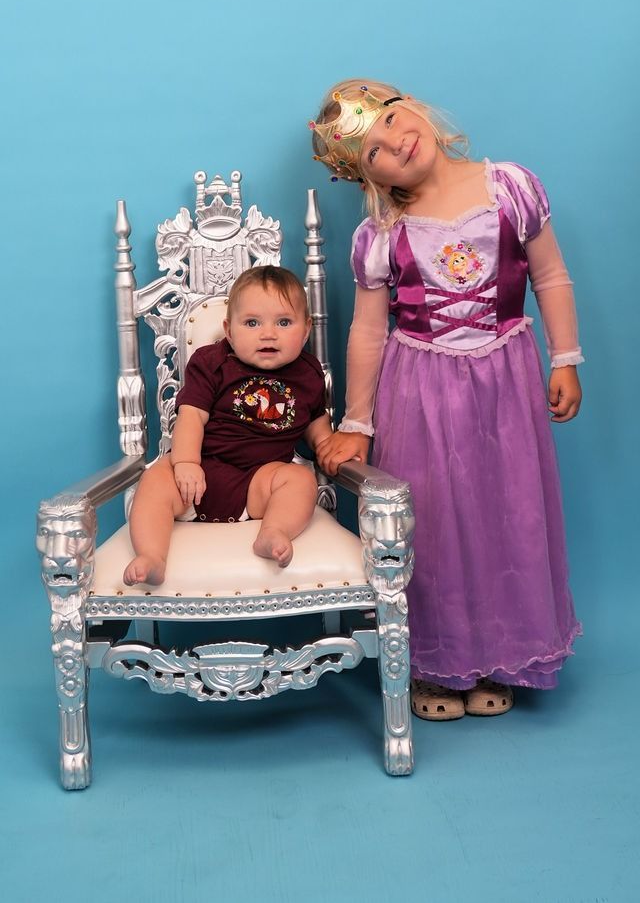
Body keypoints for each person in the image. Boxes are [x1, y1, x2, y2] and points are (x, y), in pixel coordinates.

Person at [311, 80, 583, 720]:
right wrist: (356, 420)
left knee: (505, 511)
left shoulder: (509, 187)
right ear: (367, 177)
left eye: (392, 121)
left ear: (418, 110)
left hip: (505, 385)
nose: (394, 143)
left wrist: (566, 358)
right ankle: (435, 665)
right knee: (432, 521)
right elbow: (369, 330)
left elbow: (549, 276)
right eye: (372, 151)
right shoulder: (382, 232)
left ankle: (498, 654)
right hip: (421, 393)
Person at [123, 266, 332, 585]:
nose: (268, 333)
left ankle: (273, 531)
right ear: (229, 331)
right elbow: (192, 415)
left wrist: (326, 445)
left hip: (259, 483)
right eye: (252, 323)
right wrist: (186, 463)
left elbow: (316, 420)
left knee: (300, 479)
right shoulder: (212, 362)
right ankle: (152, 555)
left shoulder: (308, 373)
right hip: (197, 479)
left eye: (284, 322)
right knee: (154, 480)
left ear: (305, 331)